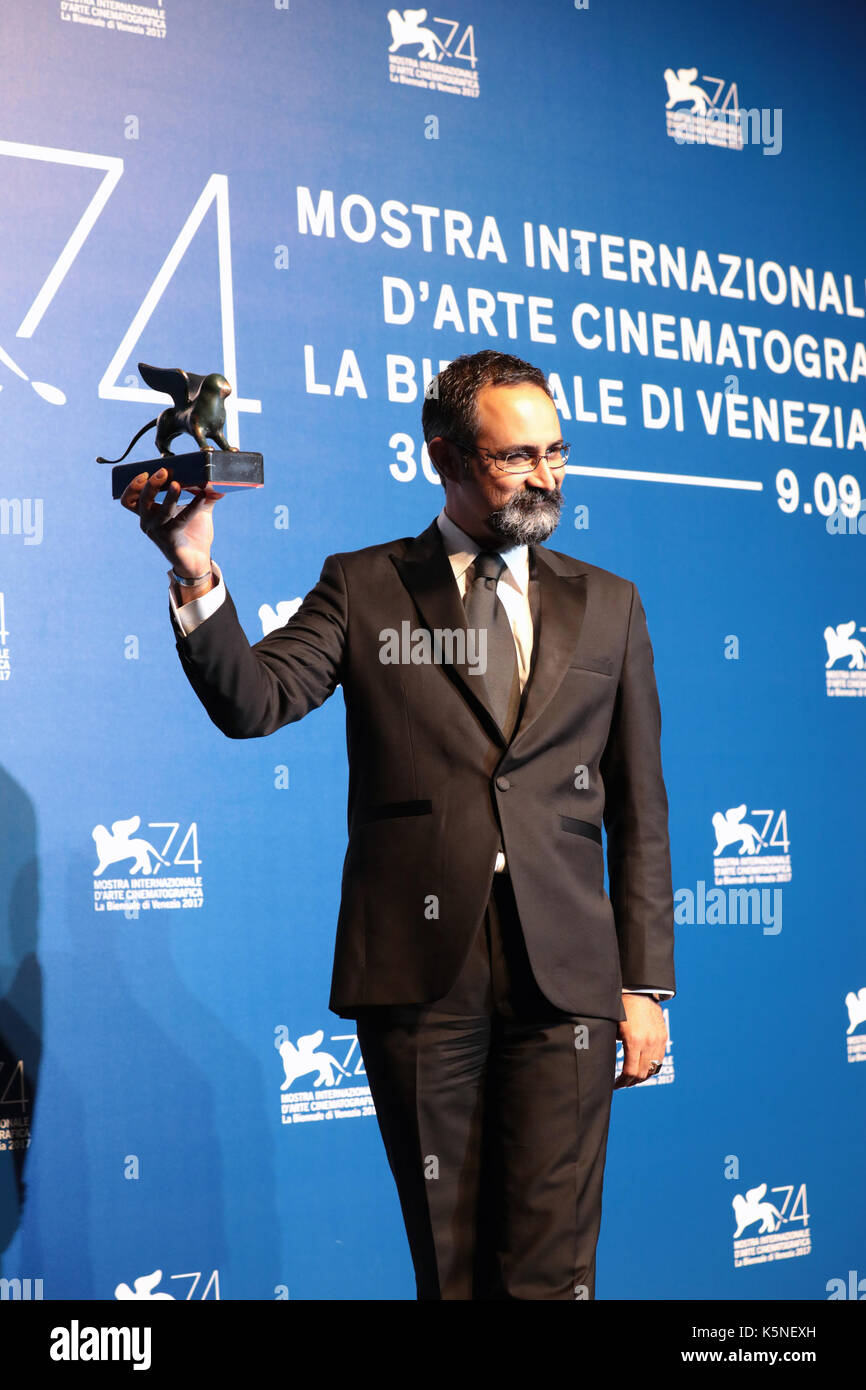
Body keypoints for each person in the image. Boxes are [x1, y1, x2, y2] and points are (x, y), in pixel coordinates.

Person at [120, 349, 675, 1300]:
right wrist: (196, 569)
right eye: (516, 458)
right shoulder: (365, 585)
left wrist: (645, 983)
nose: (545, 478)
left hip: (568, 980)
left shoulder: (611, 603)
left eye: (557, 453)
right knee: (450, 1267)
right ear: (445, 459)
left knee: (551, 1267)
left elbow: (640, 804)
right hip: (422, 980)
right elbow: (255, 701)